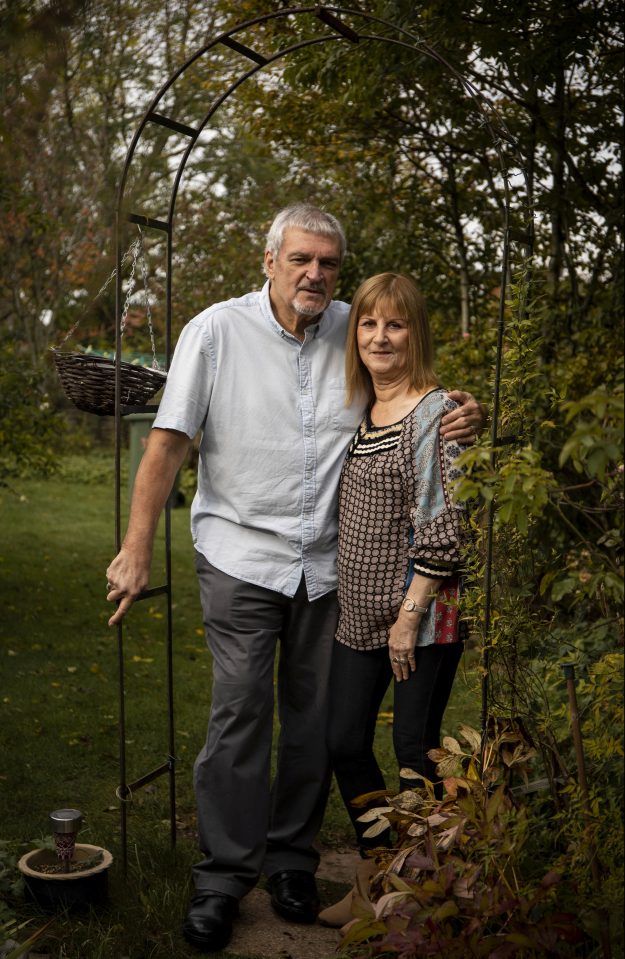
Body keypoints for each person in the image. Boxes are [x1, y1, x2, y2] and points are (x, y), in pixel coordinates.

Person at [105, 205, 484, 953]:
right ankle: (221, 877)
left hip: (329, 565)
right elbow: (169, 439)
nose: (315, 274)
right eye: (301, 258)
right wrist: (135, 545)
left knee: (314, 724)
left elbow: (417, 392)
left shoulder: (354, 324)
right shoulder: (216, 331)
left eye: (328, 262)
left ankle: (291, 862)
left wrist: (465, 409)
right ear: (269, 258)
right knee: (239, 712)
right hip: (241, 555)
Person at [319, 272, 469, 928]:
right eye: (369, 324)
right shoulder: (361, 410)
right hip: (359, 615)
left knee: (414, 752)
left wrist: (409, 615)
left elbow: (444, 526)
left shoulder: (433, 412)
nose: (380, 336)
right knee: (343, 740)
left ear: (416, 334)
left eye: (396, 324)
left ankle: (419, 902)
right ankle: (379, 879)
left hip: (422, 616)